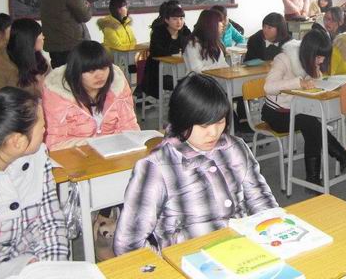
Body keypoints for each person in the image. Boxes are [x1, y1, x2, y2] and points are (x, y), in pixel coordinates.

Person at [113, 74, 277, 254]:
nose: (213, 133)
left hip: (243, 251)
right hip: (191, 259)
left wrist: (274, 236)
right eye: (203, 126)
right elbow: (128, 244)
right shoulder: (157, 167)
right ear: (181, 119)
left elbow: (261, 201)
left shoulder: (235, 147)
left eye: (220, 121)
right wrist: (167, 262)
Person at [0, 88, 69, 278]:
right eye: (42, 126)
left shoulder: (38, 159)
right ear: (18, 142)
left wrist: (52, 270)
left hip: (28, 263)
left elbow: (51, 224)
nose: (45, 130)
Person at [262, 30, 346, 187]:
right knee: (310, 122)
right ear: (308, 52)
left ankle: (314, 179)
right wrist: (298, 82)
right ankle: (340, 155)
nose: (321, 60)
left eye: (324, 56)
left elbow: (317, 82)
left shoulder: (310, 61)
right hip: (276, 114)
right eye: (318, 57)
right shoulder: (283, 59)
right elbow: (268, 87)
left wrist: (316, 72)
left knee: (310, 125)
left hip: (298, 111)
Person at [43, 40, 139, 150]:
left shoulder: (118, 89)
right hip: (77, 156)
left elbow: (130, 129)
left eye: (104, 68)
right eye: (91, 71)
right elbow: (55, 144)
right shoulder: (58, 96)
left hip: (115, 154)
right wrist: (97, 144)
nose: (100, 75)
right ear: (76, 72)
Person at [0, 19, 50, 98]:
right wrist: (39, 88)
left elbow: (49, 78)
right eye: (40, 34)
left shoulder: (36, 55)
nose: (43, 37)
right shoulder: (3, 67)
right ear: (29, 39)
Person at [142, 4, 191, 99]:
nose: (179, 22)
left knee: (193, 81)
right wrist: (175, 46)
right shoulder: (158, 32)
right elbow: (157, 52)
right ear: (166, 20)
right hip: (158, 72)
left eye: (181, 18)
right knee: (182, 84)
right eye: (175, 19)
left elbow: (190, 48)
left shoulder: (185, 31)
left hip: (181, 70)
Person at [183, 9, 229, 73]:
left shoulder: (214, 42)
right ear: (211, 24)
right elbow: (197, 69)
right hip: (199, 78)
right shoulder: (192, 44)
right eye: (219, 21)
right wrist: (219, 68)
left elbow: (223, 64)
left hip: (216, 77)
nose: (222, 24)